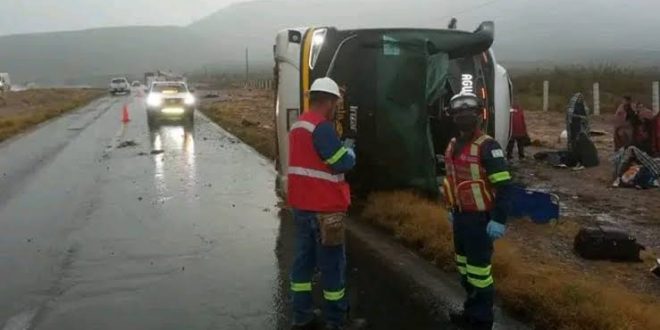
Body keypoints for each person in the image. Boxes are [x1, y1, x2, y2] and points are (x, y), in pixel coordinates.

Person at [287, 77, 362, 330]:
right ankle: (336, 320)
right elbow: (341, 163)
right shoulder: (322, 127)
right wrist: (349, 151)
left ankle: (302, 315)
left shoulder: (299, 125)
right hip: (325, 210)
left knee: (303, 264)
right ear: (329, 102)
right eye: (335, 103)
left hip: (301, 207)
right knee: (332, 267)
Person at [442, 92, 513, 330]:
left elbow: (503, 187)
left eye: (468, 112)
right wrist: (451, 208)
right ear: (453, 117)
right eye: (458, 113)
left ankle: (482, 320)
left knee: (480, 273)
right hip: (460, 218)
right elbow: (451, 181)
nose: (464, 117)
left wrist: (499, 220)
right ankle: (471, 311)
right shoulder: (452, 145)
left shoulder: (488, 147)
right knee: (464, 269)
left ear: (479, 114)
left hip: (480, 221)